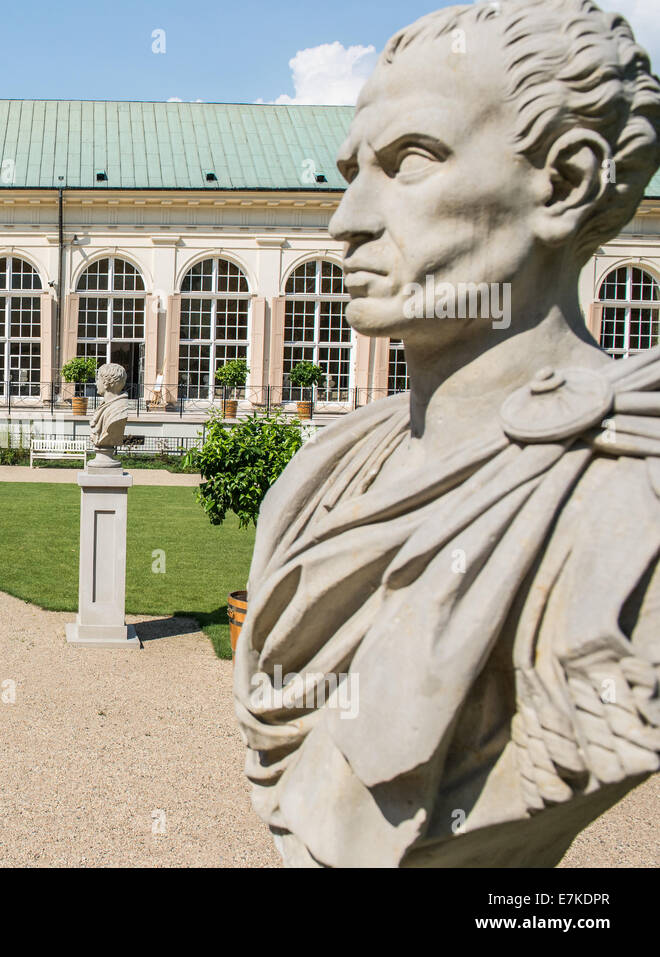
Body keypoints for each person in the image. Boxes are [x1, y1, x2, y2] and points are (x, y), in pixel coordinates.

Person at [234, 0, 660, 867]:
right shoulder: (325, 469)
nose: (345, 220)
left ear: (567, 182)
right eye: (353, 170)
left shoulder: (633, 487)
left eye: (410, 162)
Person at [88, 362, 129, 468]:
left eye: (98, 379)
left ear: (106, 382)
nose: (96, 383)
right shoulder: (104, 406)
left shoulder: (118, 409)